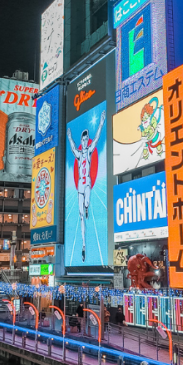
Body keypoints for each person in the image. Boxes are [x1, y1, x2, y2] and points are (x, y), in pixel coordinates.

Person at [66, 109, 106, 262]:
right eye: (83, 139)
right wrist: (69, 137)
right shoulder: (79, 153)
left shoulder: (89, 151)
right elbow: (72, 147)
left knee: (87, 203)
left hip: (87, 183)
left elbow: (96, 139)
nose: (84, 141)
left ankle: (87, 206)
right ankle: (83, 245)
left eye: (86, 139)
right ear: (81, 140)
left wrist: (101, 123)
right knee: (80, 215)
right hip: (79, 187)